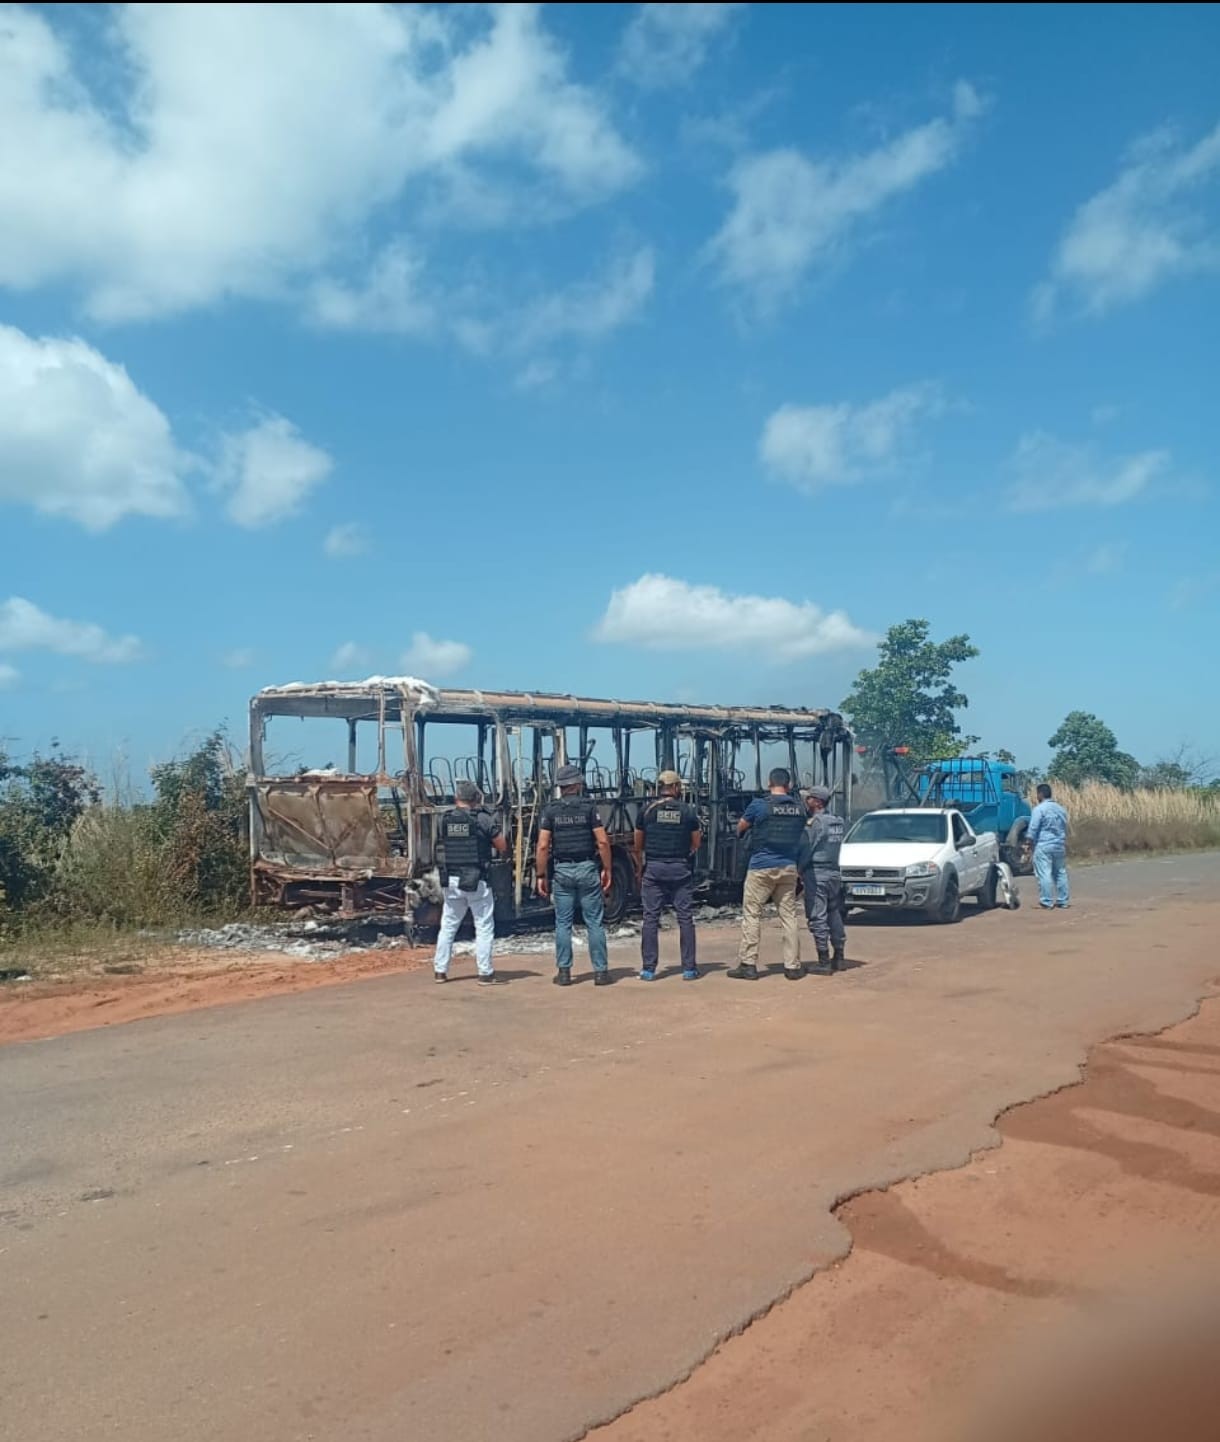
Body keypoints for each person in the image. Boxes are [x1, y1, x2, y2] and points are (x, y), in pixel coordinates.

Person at [536, 764, 614, 986]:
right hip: (587, 868)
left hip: (562, 871)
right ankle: (600, 973)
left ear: (560, 787)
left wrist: (541, 875)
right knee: (594, 923)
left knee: (563, 923)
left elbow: (542, 846)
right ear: (578, 784)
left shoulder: (550, 810)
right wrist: (607, 869)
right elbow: (602, 841)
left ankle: (564, 973)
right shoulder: (589, 808)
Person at [729, 767, 805, 981]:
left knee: (752, 914)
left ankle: (748, 965)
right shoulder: (799, 808)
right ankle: (792, 966)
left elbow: (741, 827)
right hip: (788, 867)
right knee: (789, 917)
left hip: (761, 867)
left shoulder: (759, 805)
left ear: (769, 784)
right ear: (788, 786)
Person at [433, 780, 510, 985]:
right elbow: (501, 845)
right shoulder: (483, 818)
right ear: (476, 798)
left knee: (448, 926)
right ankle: (485, 973)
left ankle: (440, 971)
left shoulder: (445, 819)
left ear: (456, 798)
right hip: (476, 880)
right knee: (483, 927)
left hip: (451, 879)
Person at [633, 770, 702, 982]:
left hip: (654, 868)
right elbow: (696, 842)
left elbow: (638, 843)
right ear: (677, 788)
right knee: (685, 918)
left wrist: (643, 864)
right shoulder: (688, 811)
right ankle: (689, 969)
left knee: (650, 918)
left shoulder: (647, 810)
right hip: (680, 869)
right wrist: (683, 855)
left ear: (659, 787)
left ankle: (648, 969)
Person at [798, 785, 847, 974]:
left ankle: (823, 961)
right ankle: (839, 956)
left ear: (817, 802)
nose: (806, 801)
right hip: (835, 873)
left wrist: (799, 870)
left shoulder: (815, 824)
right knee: (834, 913)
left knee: (817, 916)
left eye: (809, 798)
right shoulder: (838, 821)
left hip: (817, 874)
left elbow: (806, 849)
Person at [1028, 782, 1070, 910]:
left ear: (1040, 794)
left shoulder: (1039, 809)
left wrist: (1027, 842)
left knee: (1044, 873)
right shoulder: (1061, 809)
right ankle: (1063, 901)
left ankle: (1046, 901)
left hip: (1043, 845)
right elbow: (1065, 826)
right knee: (1060, 873)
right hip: (1059, 844)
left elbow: (1033, 828)